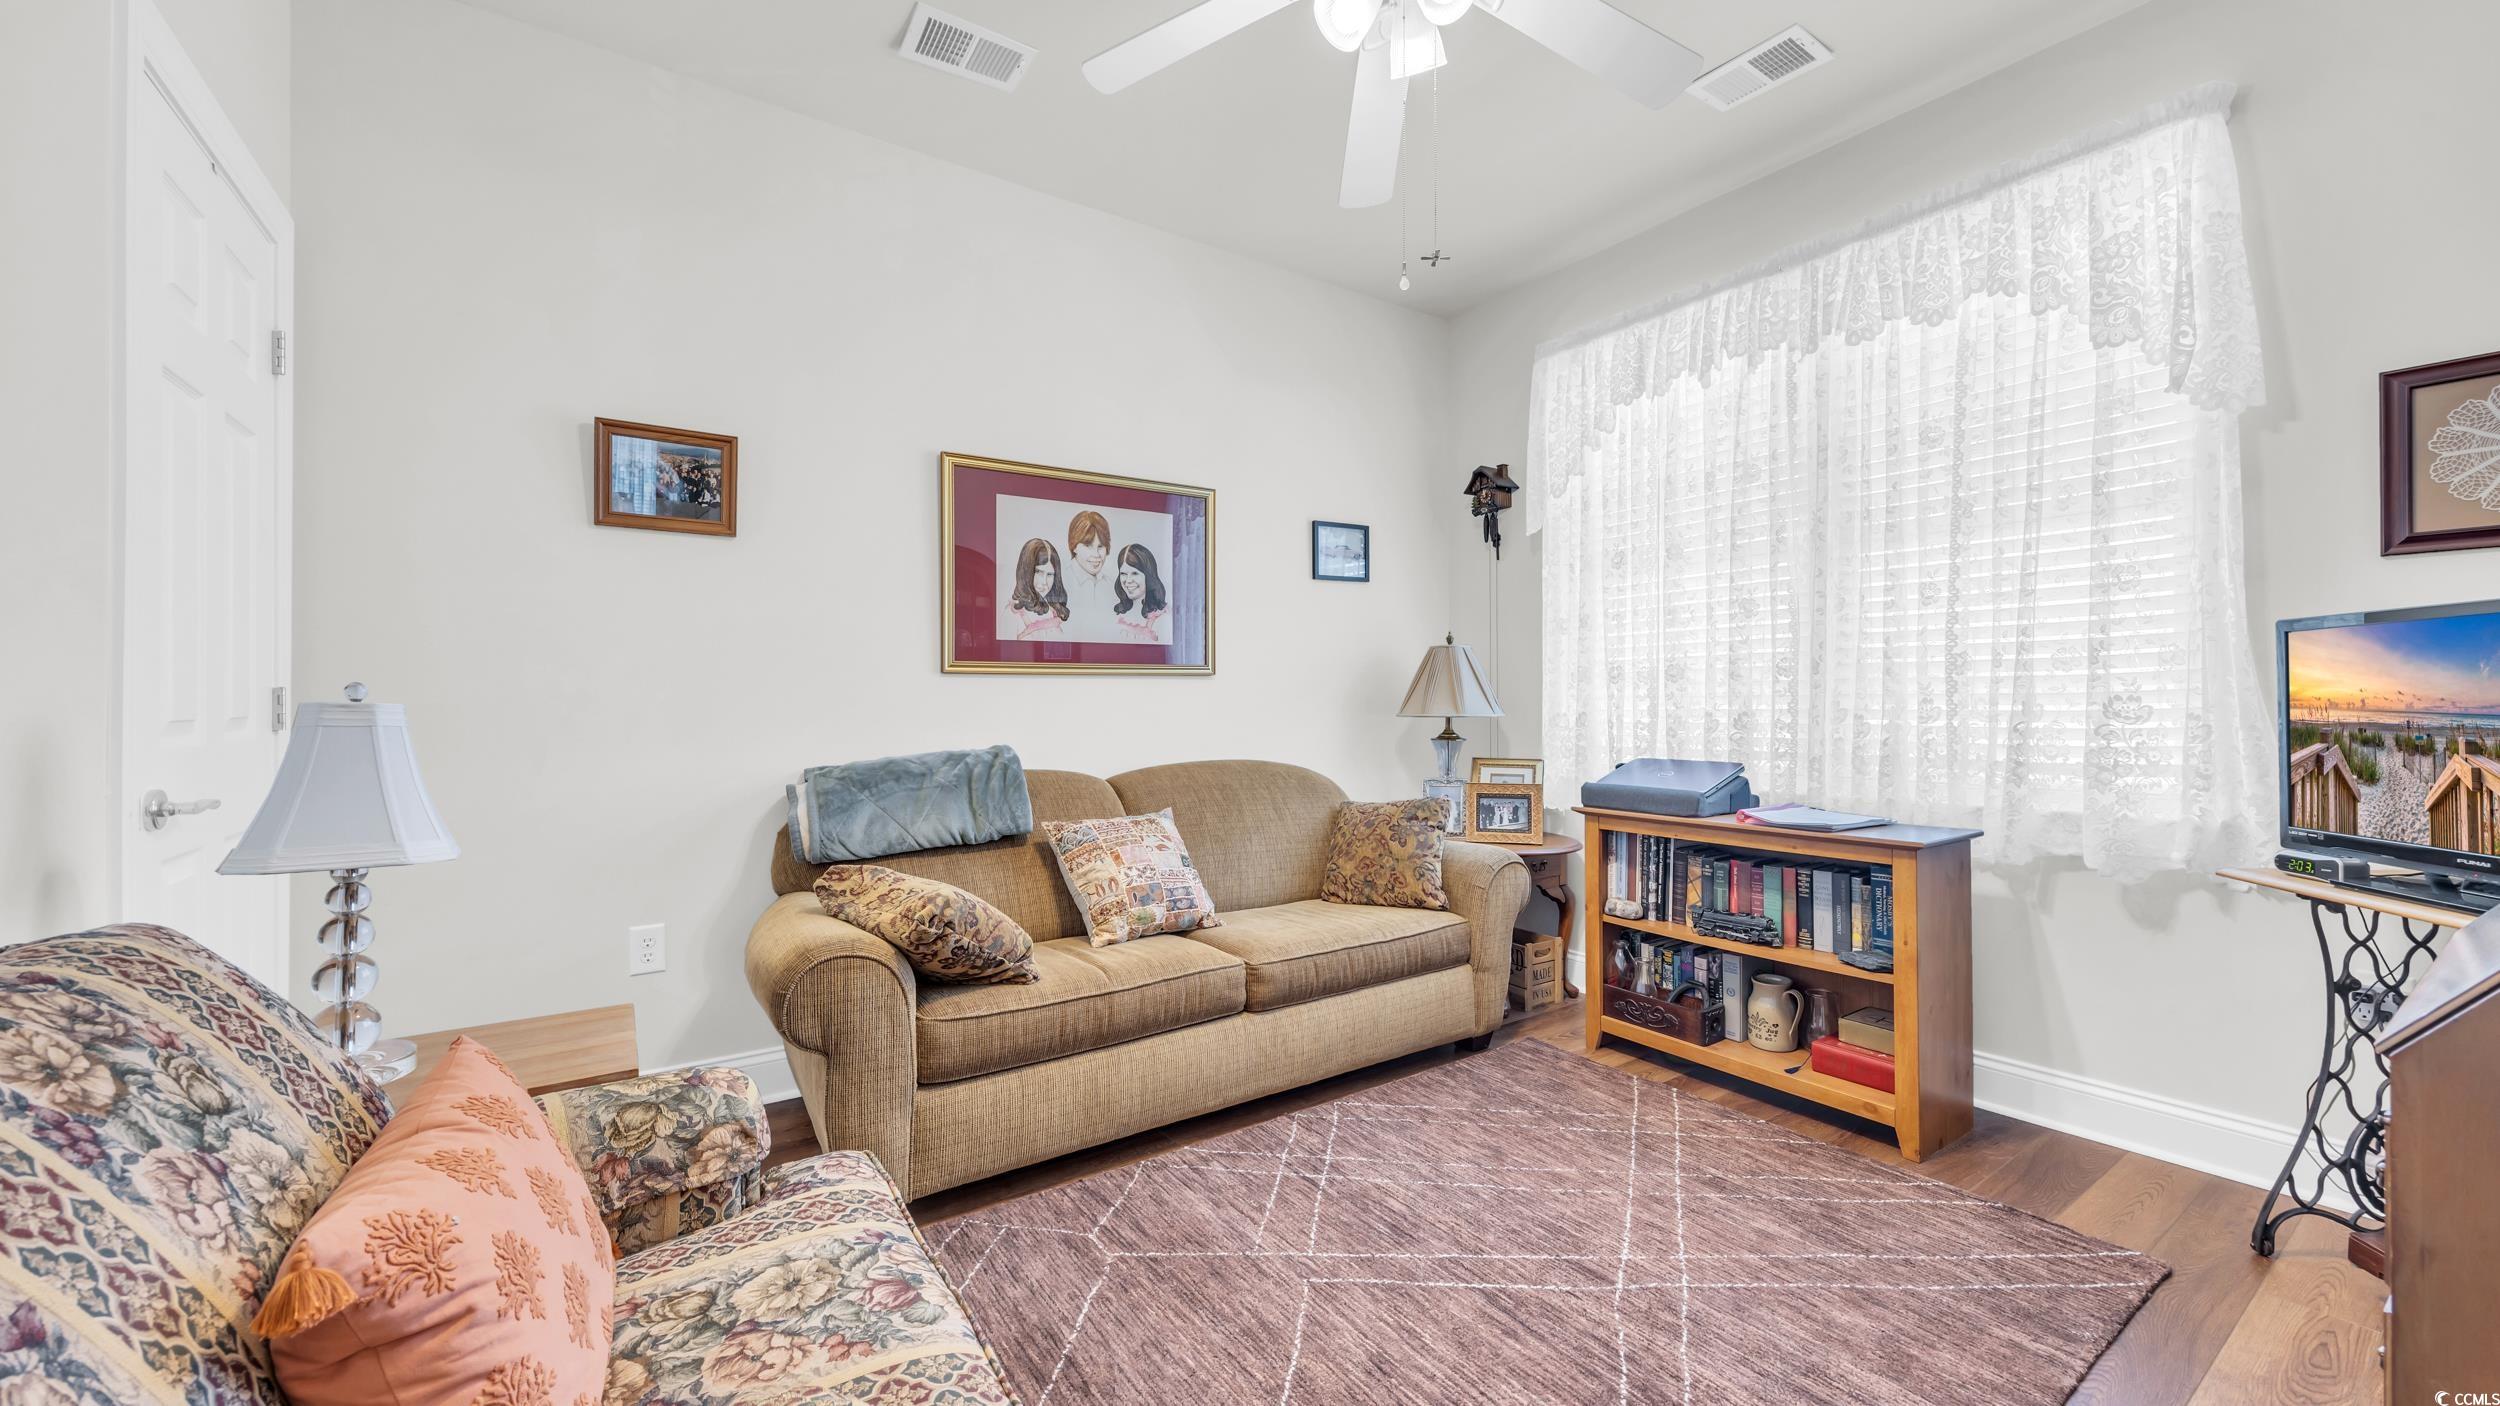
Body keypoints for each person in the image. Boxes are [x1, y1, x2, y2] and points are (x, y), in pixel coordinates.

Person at [1064, 511, 1115, 639]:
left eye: (1101, 546)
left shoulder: (1113, 585)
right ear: (1074, 546)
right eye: (1088, 545)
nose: (1096, 555)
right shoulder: (1060, 580)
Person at [1007, 537, 1068, 640]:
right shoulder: (1012, 614)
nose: (1044, 582)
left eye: (1049, 575)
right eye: (1039, 572)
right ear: (1026, 571)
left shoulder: (1053, 611)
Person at [1112, 542, 1169, 645]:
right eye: (1123, 574)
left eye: (1134, 573)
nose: (1128, 581)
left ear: (1148, 575)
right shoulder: (1118, 614)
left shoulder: (1163, 619)